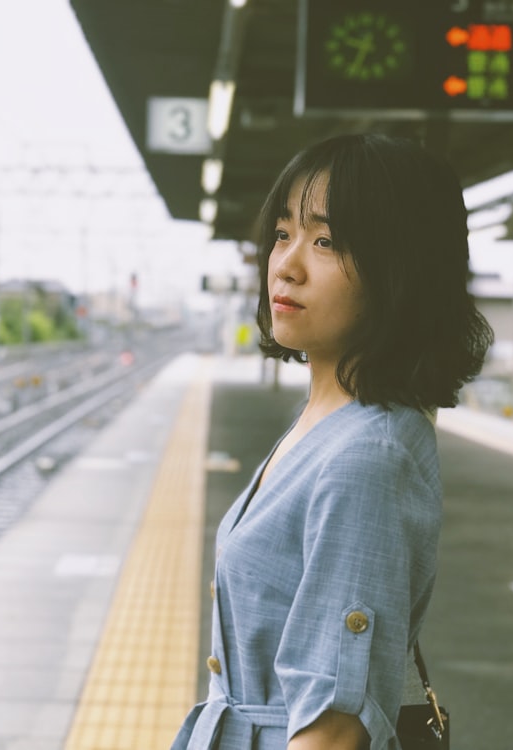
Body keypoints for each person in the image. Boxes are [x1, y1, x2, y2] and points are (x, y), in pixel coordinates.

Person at [171, 133, 493, 750]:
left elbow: (334, 730)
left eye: (326, 241)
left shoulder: (366, 454)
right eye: (284, 233)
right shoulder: (325, 418)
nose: (286, 264)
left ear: (400, 270)